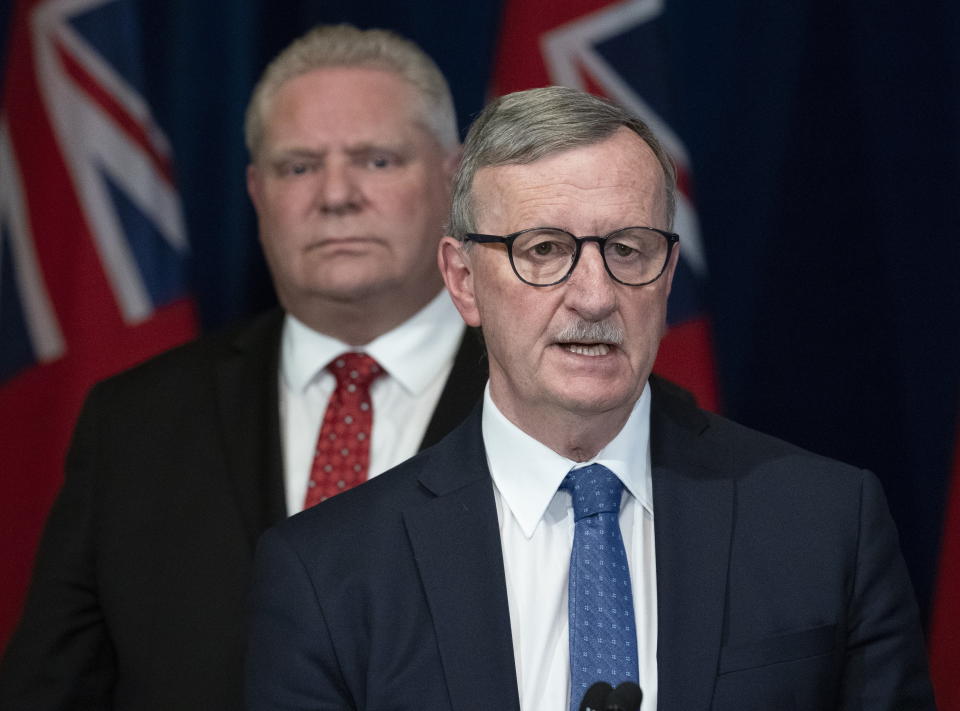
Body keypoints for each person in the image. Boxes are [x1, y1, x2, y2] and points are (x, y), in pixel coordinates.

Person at [245, 86, 936, 711]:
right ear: (462, 281)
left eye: (629, 249)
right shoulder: (328, 572)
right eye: (544, 250)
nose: (596, 294)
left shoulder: (825, 524)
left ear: (667, 276)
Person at [0, 25, 484, 711]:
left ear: (451, 177)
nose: (336, 194)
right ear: (257, 193)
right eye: (298, 166)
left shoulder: (557, 400)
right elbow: (50, 688)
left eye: (377, 160)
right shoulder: (135, 423)